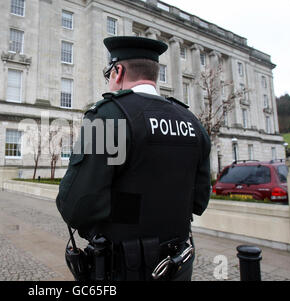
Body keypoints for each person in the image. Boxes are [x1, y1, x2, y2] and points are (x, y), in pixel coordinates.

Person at [56, 36, 211, 281]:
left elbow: (76, 206)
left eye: (108, 74)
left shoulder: (109, 116)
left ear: (118, 71)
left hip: (124, 268)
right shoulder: (191, 122)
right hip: (177, 264)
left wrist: (125, 211)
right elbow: (199, 201)